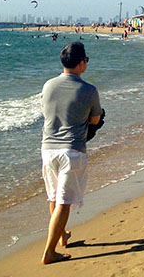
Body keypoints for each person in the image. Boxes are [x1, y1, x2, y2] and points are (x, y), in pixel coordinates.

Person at [40, 42, 102, 265]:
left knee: (54, 196)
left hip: (48, 149)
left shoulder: (48, 86)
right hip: (72, 150)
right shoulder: (89, 90)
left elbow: (46, 112)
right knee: (64, 202)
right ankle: (49, 252)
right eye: (86, 60)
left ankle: (62, 236)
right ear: (81, 63)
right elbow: (95, 120)